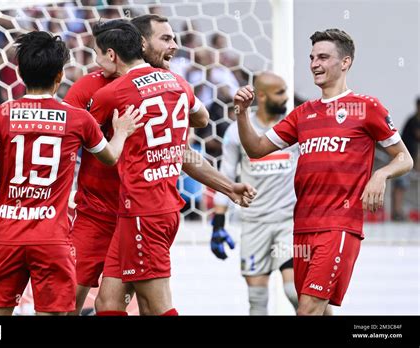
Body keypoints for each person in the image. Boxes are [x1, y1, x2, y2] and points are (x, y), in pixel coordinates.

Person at [64, 14, 256, 315]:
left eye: (173, 38)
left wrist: (226, 186)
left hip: (141, 210)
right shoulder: (94, 89)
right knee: (98, 302)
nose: (174, 46)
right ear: (141, 43)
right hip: (101, 214)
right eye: (165, 39)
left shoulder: (153, 87)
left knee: (152, 306)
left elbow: (181, 150)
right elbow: (63, 143)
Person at [0, 31, 143, 316]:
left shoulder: (0, 114)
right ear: (59, 75)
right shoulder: (78, 119)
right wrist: (123, 131)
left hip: (7, 236)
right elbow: (110, 158)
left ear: (20, 73)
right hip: (52, 238)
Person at [234, 29, 413, 315]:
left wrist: (380, 175)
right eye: (312, 57)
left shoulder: (367, 107)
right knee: (313, 307)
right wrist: (242, 113)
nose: (315, 63)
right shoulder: (302, 113)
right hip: (303, 226)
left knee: (307, 309)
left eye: (323, 57)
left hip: (339, 225)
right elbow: (256, 148)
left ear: (345, 63)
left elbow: (404, 158)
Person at [212, 72, 299, 315]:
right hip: (253, 224)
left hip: (288, 223)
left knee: (295, 292)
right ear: (261, 96)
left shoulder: (293, 127)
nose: (286, 97)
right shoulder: (236, 131)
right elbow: (226, 175)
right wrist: (218, 222)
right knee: (257, 302)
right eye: (280, 92)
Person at [391, 97, 420, 220]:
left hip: (409, 160)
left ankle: (399, 212)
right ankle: (397, 212)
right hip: (402, 159)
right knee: (400, 186)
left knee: (403, 186)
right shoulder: (413, 121)